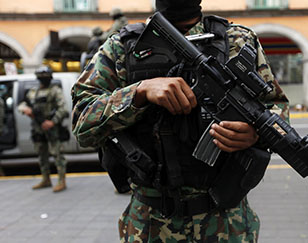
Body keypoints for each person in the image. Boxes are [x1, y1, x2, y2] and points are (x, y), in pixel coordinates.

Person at [71, 0, 289, 241]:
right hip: (150, 225)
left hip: (227, 224)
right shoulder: (123, 47)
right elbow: (82, 123)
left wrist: (255, 134)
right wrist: (139, 92)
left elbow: (276, 106)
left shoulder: (238, 40)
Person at [18, 66, 69, 192]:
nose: (43, 80)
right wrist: (25, 110)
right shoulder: (33, 92)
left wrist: (52, 121)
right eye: (41, 77)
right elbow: (22, 103)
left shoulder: (55, 91)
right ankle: (46, 179)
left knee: (57, 154)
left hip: (52, 127)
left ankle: (61, 181)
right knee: (41, 154)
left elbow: (63, 109)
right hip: (38, 127)